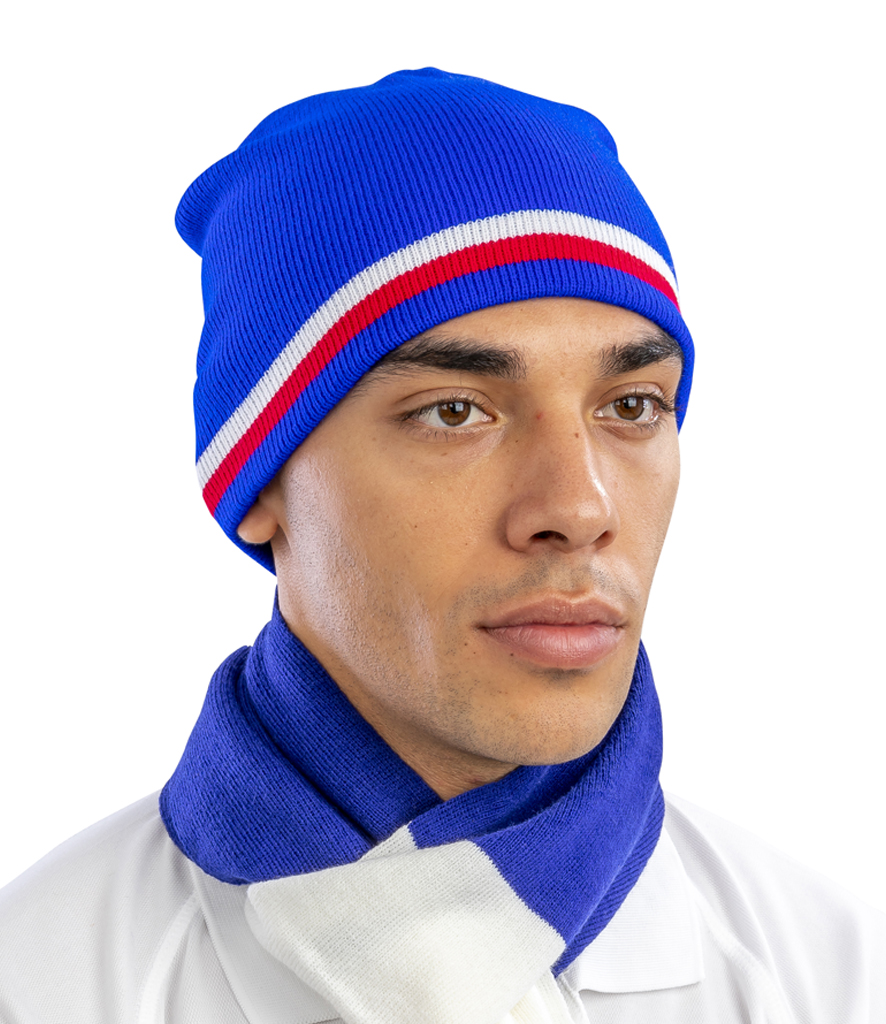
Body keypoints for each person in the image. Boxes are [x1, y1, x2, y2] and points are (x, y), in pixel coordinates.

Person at [0, 68, 882, 1024]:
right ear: (259, 483)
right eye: (455, 411)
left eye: (631, 406)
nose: (579, 507)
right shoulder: (41, 982)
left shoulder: (826, 969)